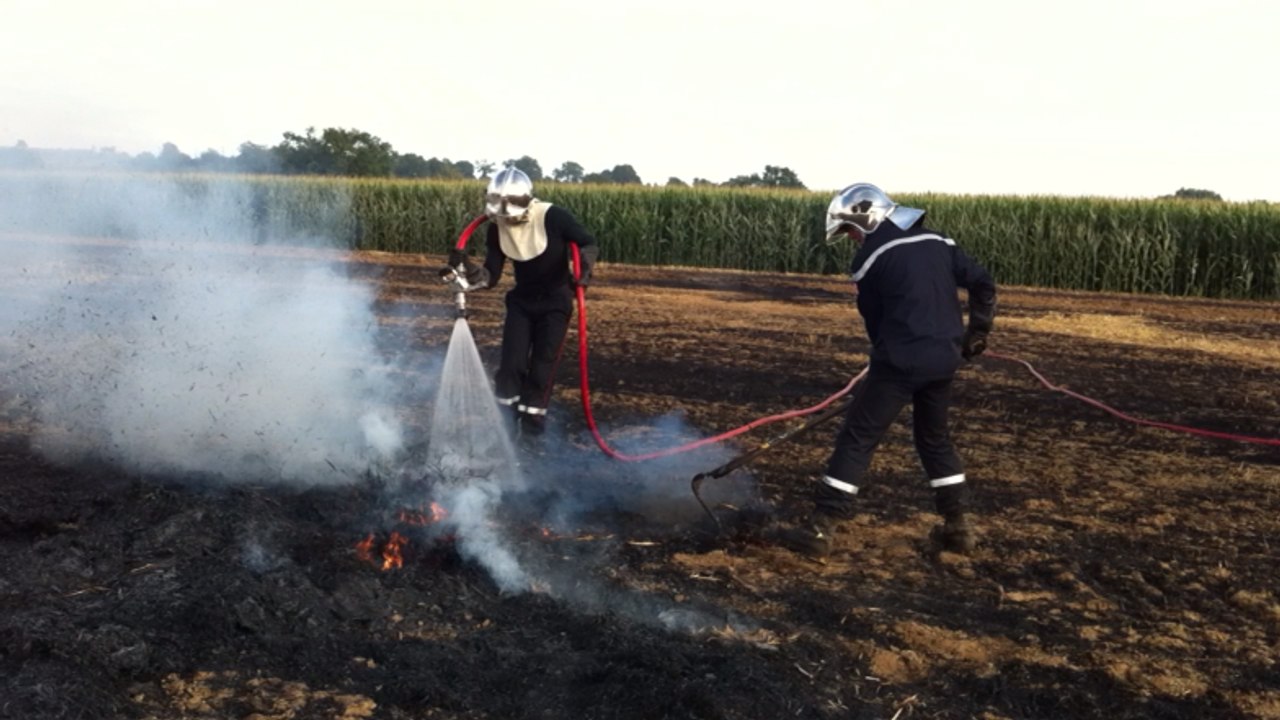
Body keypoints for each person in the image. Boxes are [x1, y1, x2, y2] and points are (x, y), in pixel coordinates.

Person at [782, 183, 996, 559]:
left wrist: (884, 360)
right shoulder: (939, 241)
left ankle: (820, 529)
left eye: (850, 229)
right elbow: (983, 283)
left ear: (868, 218)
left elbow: (876, 323)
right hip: (944, 360)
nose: (851, 238)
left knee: (858, 437)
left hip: (899, 363)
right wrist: (976, 333)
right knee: (935, 439)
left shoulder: (869, 259)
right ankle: (959, 527)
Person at [446, 166, 599, 439]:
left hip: (555, 303)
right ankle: (504, 429)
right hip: (522, 303)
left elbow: (588, 242)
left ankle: (531, 433)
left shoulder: (553, 217)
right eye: (502, 217)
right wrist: (468, 267)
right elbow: (491, 275)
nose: (508, 221)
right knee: (511, 367)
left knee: (541, 368)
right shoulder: (497, 228)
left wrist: (583, 271)